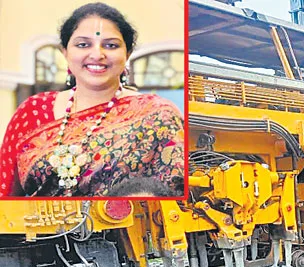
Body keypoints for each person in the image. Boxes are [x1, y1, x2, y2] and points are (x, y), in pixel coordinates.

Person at [0, 2, 184, 198]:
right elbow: (5, 195)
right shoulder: (33, 110)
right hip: (34, 227)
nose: (97, 54)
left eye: (111, 45)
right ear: (65, 52)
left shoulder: (158, 115)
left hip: (128, 227)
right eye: (83, 44)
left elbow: (174, 201)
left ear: (127, 54)